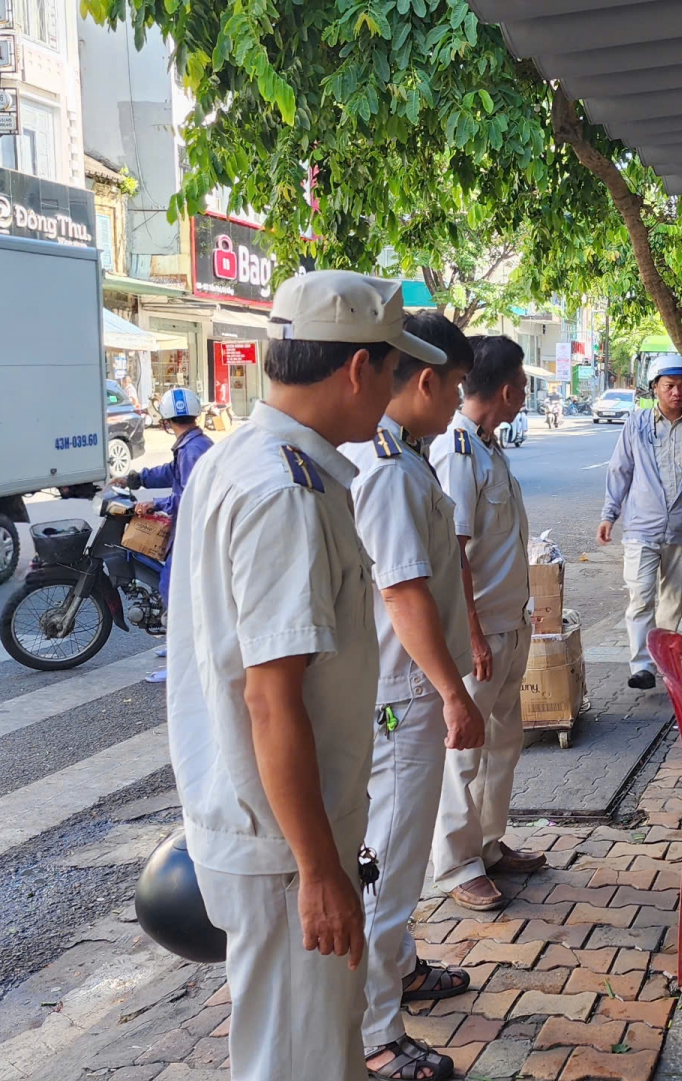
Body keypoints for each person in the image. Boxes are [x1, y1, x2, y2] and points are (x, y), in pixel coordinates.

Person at [164, 269, 421, 1081]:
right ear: (358, 368)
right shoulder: (285, 491)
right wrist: (317, 871)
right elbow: (271, 700)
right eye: (393, 370)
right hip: (285, 844)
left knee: (314, 1051)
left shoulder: (242, 459)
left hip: (274, 826)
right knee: (299, 1063)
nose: (395, 391)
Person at [342, 310, 482, 1081]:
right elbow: (402, 591)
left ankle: (399, 969)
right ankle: (375, 1033)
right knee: (389, 865)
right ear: (426, 380)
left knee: (394, 855)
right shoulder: (389, 467)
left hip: (405, 687)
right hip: (403, 693)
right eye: (456, 385)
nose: (459, 399)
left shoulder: (402, 455)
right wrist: (453, 692)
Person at [426, 334, 549, 914]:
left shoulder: (489, 447)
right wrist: (471, 634)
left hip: (510, 623)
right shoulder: (456, 452)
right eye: (522, 383)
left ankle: (488, 844)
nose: (524, 393)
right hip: (482, 633)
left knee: (503, 742)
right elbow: (453, 553)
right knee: (464, 750)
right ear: (506, 390)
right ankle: (455, 863)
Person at [598, 359, 682, 690]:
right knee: (641, 596)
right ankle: (642, 666)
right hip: (641, 528)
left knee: (672, 602)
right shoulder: (637, 424)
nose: (676, 392)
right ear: (655, 387)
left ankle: (662, 661)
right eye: (669, 386)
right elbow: (620, 469)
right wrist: (609, 514)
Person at [124, 386, 215, 682]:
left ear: (165, 420)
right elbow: (170, 472)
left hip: (193, 533)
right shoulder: (193, 444)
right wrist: (138, 478)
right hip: (193, 529)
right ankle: (178, 646)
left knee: (175, 593)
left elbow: (188, 496)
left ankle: (182, 662)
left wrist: (155, 504)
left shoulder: (192, 450)